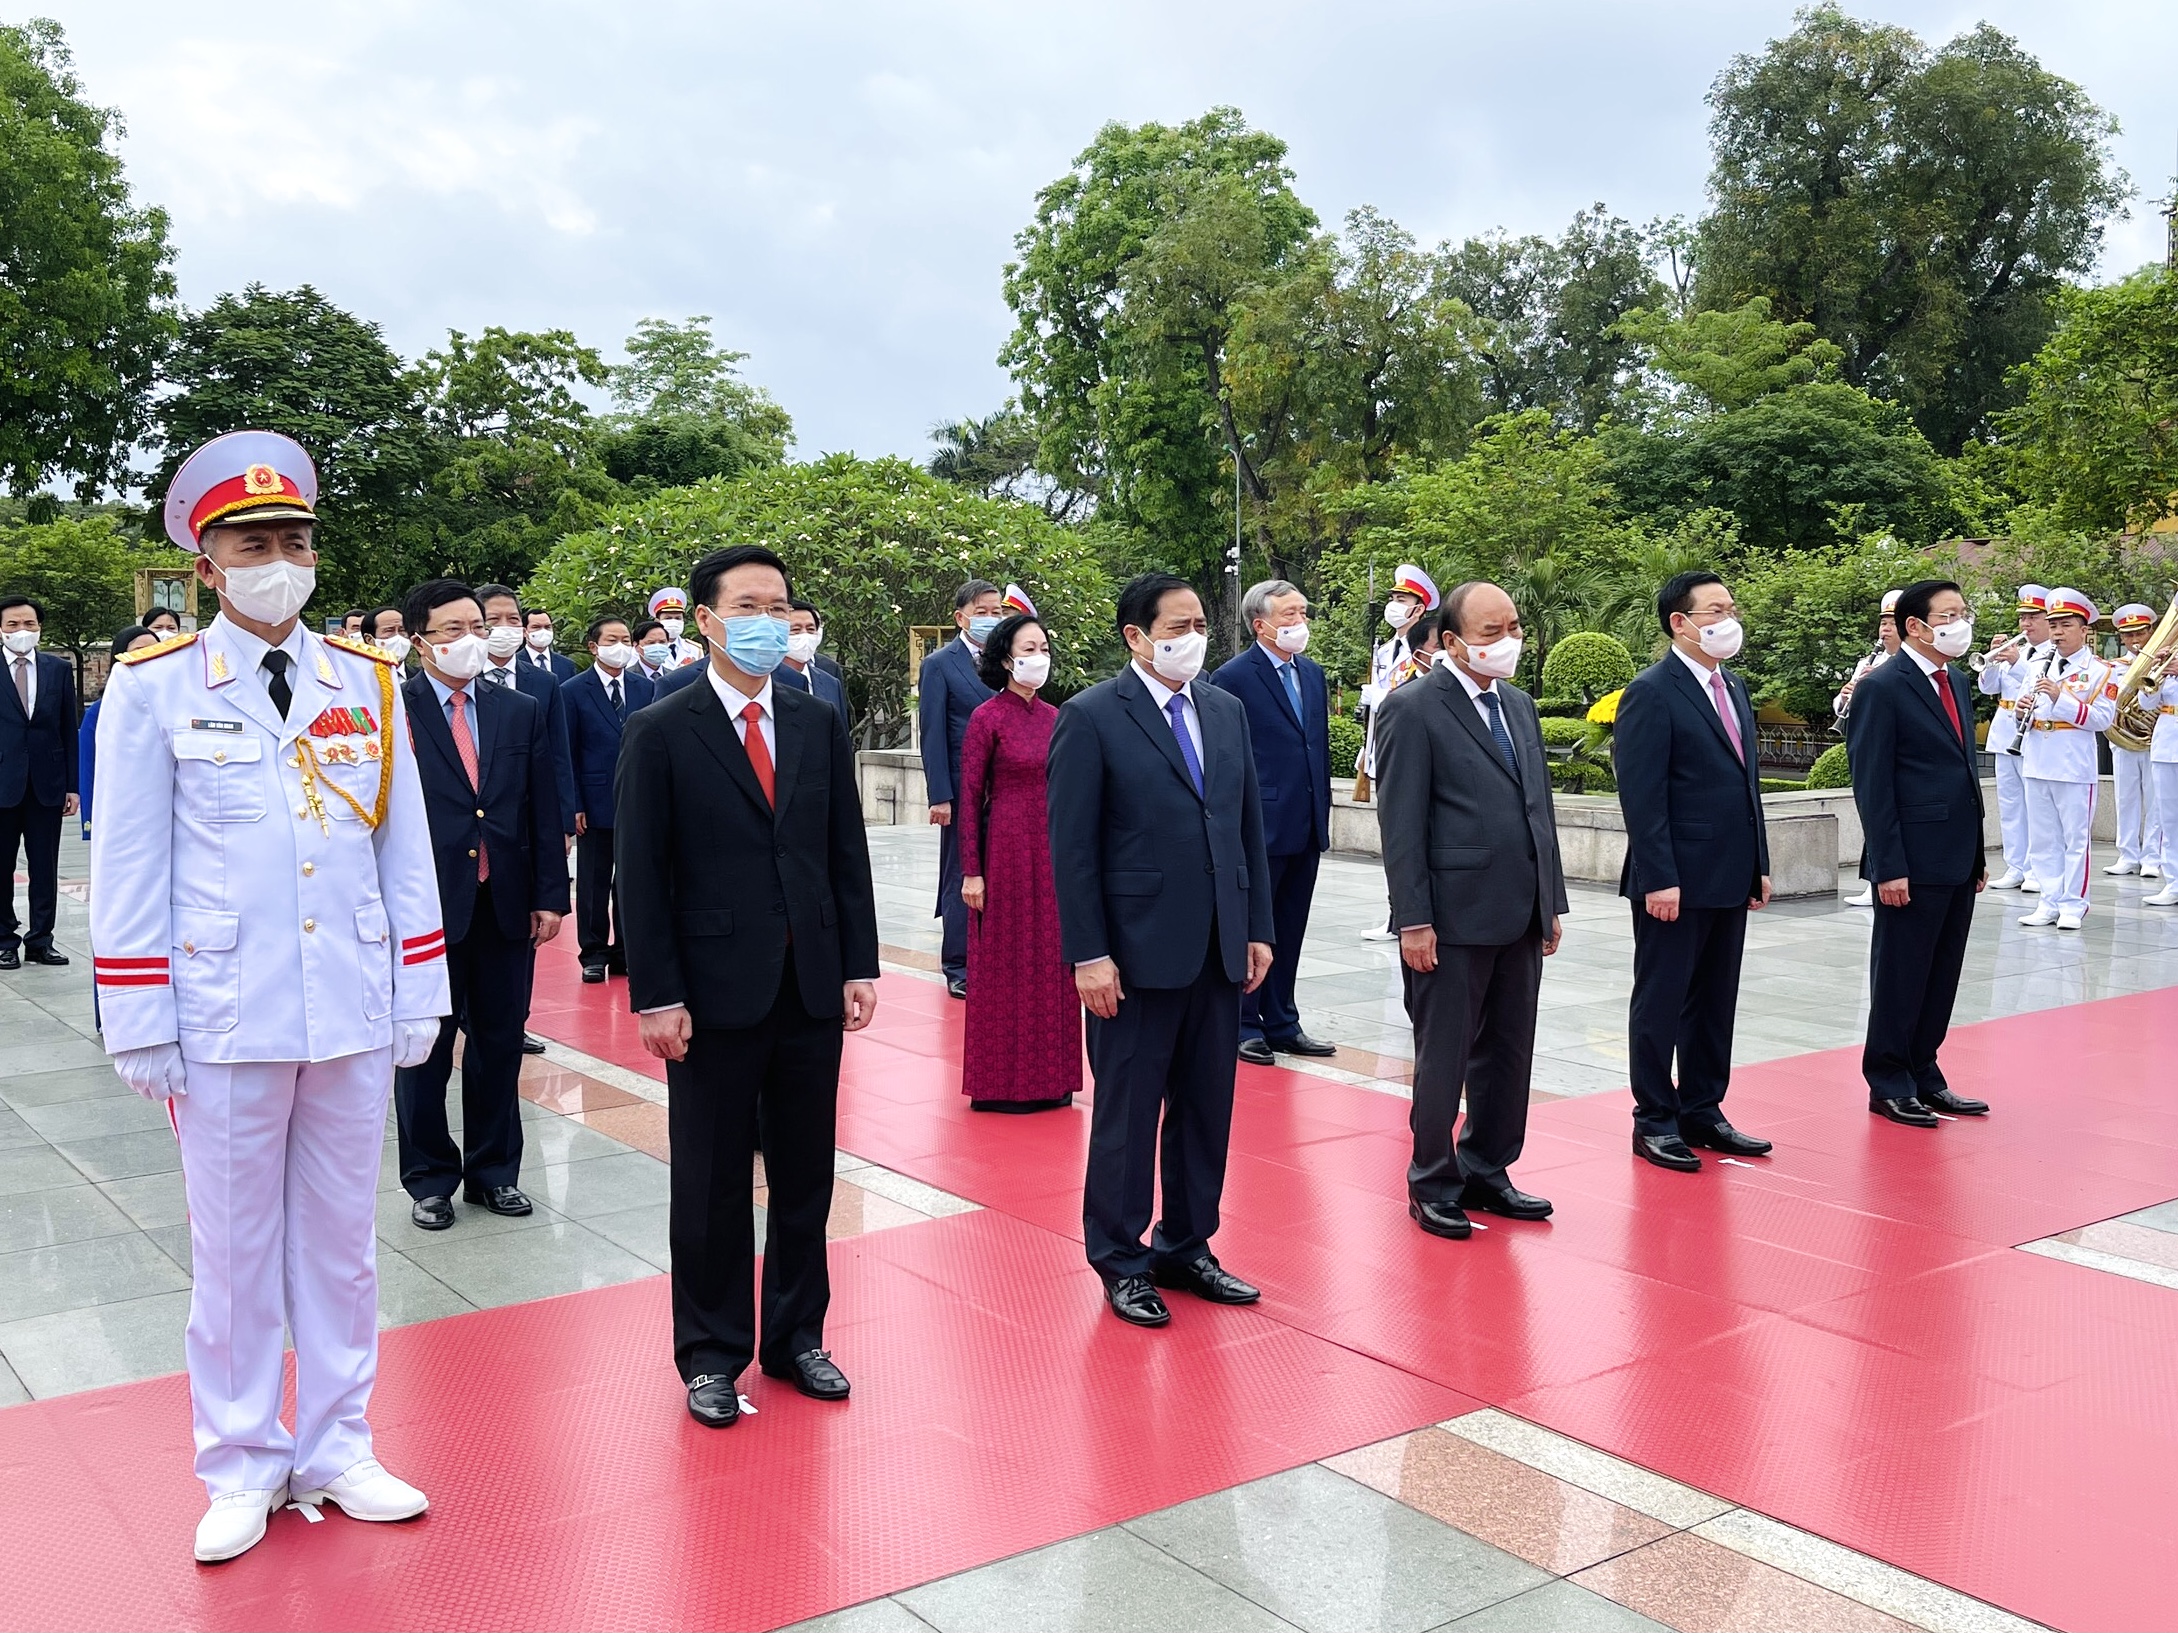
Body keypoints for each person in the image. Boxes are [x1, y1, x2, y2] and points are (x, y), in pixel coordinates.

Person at [92, 429, 449, 1562]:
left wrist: (417, 989)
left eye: (295, 539)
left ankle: (340, 1442)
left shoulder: (370, 679)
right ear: (206, 564)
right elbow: (132, 863)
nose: (280, 559)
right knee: (237, 1251)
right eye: (253, 543)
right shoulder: (155, 689)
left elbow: (405, 850)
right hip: (226, 1014)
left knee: (343, 1243)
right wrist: (141, 1014)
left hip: (345, 999)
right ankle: (243, 1457)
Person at [617, 544, 880, 1428]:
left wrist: (859, 962)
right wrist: (656, 993)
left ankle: (798, 1335)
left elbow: (844, 849)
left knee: (806, 1173)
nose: (768, 620)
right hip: (711, 991)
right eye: (749, 605)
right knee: (711, 1179)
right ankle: (711, 1354)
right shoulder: (660, 728)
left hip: (810, 981)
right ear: (706, 620)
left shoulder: (814, 720)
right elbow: (640, 876)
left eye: (780, 604)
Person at [1047, 572, 1273, 1328]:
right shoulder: (1090, 717)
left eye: (1201, 622)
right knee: (1128, 1114)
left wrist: (1257, 926)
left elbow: (1247, 830)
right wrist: (1089, 953)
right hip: (1132, 957)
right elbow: (1072, 849)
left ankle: (1187, 1244)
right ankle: (1120, 1257)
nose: (1194, 637)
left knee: (1206, 1109)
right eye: (1177, 625)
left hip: (1216, 947)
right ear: (1136, 636)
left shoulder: (1226, 710)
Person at [1376, 583, 1567, 1238]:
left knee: (1510, 1049)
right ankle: (1432, 1180)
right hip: (1450, 918)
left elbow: (1537, 808)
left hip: (1519, 910)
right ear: (1452, 641)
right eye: (1491, 631)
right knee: (1445, 1054)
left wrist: (1551, 902)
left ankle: (1488, 1166)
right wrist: (1414, 919)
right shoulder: (1412, 709)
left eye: (1513, 625)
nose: (1506, 640)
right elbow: (1401, 826)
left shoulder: (1517, 705)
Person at [395, 579, 569, 1229]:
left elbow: (540, 807)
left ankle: (495, 1172)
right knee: (426, 1050)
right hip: (425, 908)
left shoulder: (516, 708)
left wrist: (551, 893)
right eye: (452, 629)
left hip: (504, 903)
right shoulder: (392, 709)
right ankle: (430, 1178)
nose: (471, 637)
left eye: (477, 625)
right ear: (419, 642)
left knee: (498, 1043)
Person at [1613, 571, 1775, 1173]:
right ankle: (1654, 1119)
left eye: (1730, 607)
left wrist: (1758, 862)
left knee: (1714, 1000)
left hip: (1729, 873)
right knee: (1662, 1001)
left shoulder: (1732, 686)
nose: (1727, 619)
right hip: (1674, 878)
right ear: (1680, 623)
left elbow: (1747, 785)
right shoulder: (1652, 692)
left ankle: (1703, 1108)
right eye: (1714, 610)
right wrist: (1659, 876)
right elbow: (1643, 795)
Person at [1847, 580, 1992, 1127]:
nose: (1960, 622)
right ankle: (1887, 1079)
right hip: (1909, 859)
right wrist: (1889, 866)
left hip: (1956, 855)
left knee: (1940, 972)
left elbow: (1962, 772)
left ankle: (1924, 1071)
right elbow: (1873, 784)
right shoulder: (1882, 687)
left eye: (1962, 611)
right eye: (1948, 614)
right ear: (1915, 626)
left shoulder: (1952, 679)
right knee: (1902, 973)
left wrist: (1976, 855)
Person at [956, 607, 1078, 1111]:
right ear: (1005, 659)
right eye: (1029, 650)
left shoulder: (1059, 716)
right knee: (1005, 964)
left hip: (1054, 850)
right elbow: (968, 796)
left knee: (1055, 963)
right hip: (1004, 848)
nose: (1039, 658)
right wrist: (971, 871)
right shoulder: (987, 718)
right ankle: (999, 1084)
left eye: (1044, 649)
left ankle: (1054, 1080)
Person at [1210, 578, 1336, 1066]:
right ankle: (1244, 1022)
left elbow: (1314, 746)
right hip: (1259, 822)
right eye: (1289, 615)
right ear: (1260, 624)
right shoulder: (1233, 678)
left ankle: (1282, 1020)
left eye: (1303, 613)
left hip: (1305, 821)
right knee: (1251, 927)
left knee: (1291, 924)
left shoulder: (1313, 674)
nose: (1300, 623)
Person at [477, 584, 577, 1055]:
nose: (505, 630)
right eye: (492, 621)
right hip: (468, 832)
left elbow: (557, 756)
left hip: (523, 830)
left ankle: (515, 1019)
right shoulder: (456, 676)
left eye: (512, 620)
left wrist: (562, 819)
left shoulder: (542, 683)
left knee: (522, 930)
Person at [2017, 589, 2117, 931]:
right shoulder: (2034, 664)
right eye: (2054, 624)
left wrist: (2062, 697)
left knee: (2075, 838)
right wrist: (2021, 714)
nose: (2057, 632)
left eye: (2066, 625)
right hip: (2037, 756)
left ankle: (2074, 903)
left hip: (2073, 761)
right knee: (2043, 837)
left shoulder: (2101, 670)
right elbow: (2025, 708)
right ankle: (2049, 899)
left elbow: (2102, 720)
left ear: (2084, 628)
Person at [920, 579, 1002, 998]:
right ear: (961, 616)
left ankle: (994, 954)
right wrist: (940, 795)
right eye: (983, 612)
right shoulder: (940, 663)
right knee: (961, 873)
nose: (991, 619)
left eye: (997, 612)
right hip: (961, 786)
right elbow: (932, 731)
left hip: (1003, 786)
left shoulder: (1007, 658)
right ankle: (958, 962)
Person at [564, 615, 655, 981]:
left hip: (637, 799)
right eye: (611, 639)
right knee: (593, 882)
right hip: (594, 798)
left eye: (625, 639)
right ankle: (593, 951)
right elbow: (566, 751)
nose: (621, 646)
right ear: (593, 646)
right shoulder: (572, 690)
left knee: (631, 881)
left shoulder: (644, 688)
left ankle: (624, 951)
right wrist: (574, 804)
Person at [0, 595, 80, 970]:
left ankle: (40, 940)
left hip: (47, 784)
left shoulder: (57, 669)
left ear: (39, 628)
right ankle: (4, 939)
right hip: (4, 782)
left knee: (44, 867)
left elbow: (68, 729)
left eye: (29, 624)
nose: (21, 631)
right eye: (13, 625)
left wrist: (72, 786)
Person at [1979, 586, 2053, 892]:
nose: (2026, 624)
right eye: (2023, 617)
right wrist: (1993, 660)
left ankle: (2038, 869)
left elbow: (2038, 684)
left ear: (2049, 619)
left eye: (2033, 617)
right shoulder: (2017, 650)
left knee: (2035, 806)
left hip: (2035, 735)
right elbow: (1987, 688)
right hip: (2004, 734)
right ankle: (2016, 865)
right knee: (2009, 804)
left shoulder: (2055, 652)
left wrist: (2015, 663)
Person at [1836, 588, 1904, 908]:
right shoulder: (1869, 660)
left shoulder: (1908, 665)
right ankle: (1872, 881)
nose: (1885, 628)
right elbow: (1841, 706)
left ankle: (1884, 877)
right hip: (1869, 747)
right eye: (1882, 622)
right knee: (1871, 816)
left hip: (1896, 751)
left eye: (1891, 621)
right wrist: (1849, 691)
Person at [1356, 563, 1438, 793]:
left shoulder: (1426, 650)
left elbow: (1425, 698)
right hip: (1383, 743)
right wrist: (1368, 746)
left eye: (1401, 600)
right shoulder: (1382, 651)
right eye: (1393, 599)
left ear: (1419, 610)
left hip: (1412, 745)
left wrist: (1381, 698)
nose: (1393, 605)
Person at [80, 625, 162, 840]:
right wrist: (90, 819)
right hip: (121, 809)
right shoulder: (101, 710)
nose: (149, 655)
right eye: (139, 649)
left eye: (155, 649)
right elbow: (89, 768)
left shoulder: (174, 703)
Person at [2104, 603, 2161, 879]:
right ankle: (2127, 854)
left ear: (2151, 631)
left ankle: (2152, 856)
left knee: (2155, 800)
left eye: (2140, 632)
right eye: (2128, 635)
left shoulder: (2164, 663)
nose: (2135, 640)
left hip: (2154, 740)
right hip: (2125, 740)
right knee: (2124, 798)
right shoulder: (2114, 666)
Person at [780, 598, 847, 714]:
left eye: (810, 629)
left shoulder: (831, 683)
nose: (805, 635)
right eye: (796, 630)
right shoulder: (762, 680)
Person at [648, 586, 703, 668]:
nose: (673, 621)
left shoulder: (694, 649)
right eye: (668, 618)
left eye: (678, 618)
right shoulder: (648, 649)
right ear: (657, 622)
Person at [520, 605, 575, 682]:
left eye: (547, 627)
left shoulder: (567, 665)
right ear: (524, 632)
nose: (543, 631)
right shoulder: (515, 662)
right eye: (536, 627)